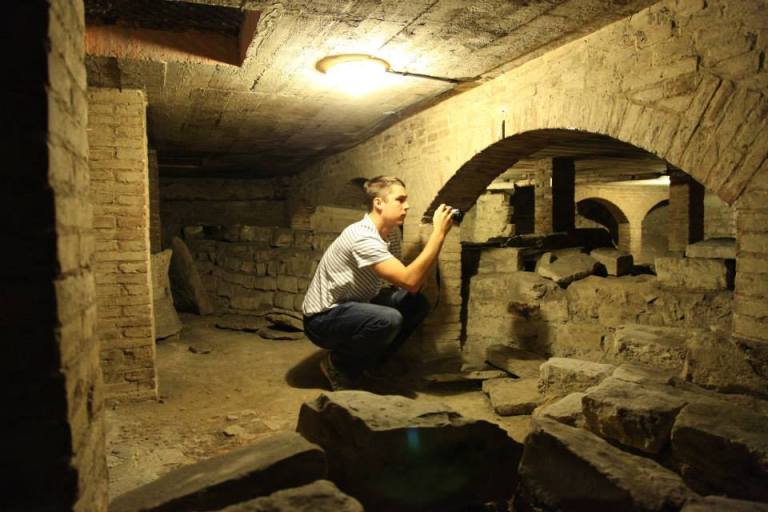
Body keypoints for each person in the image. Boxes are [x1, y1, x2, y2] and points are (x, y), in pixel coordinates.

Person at [302, 175, 455, 390]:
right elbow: (409, 280)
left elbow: (405, 282)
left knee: (416, 303)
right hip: (322, 319)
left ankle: (370, 365)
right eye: (400, 200)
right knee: (388, 319)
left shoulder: (390, 234)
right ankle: (337, 366)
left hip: (353, 306)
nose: (407, 206)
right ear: (379, 203)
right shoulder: (362, 237)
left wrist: (419, 280)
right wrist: (438, 233)